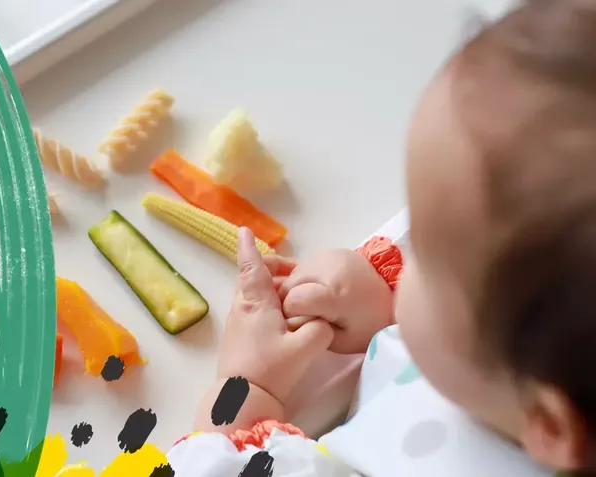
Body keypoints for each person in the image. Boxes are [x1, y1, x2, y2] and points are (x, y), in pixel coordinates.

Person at [168, 0, 596, 475]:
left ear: (551, 427)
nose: (404, 262)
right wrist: (376, 305)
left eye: (427, 270)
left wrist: (246, 385)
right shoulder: (526, 367)